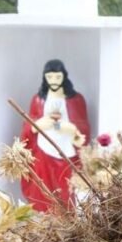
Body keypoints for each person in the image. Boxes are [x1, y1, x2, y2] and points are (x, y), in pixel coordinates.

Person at [20, 59, 91, 212]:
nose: (53, 81)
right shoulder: (38, 99)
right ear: (45, 78)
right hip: (43, 152)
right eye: (50, 77)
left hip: (67, 153)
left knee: (66, 193)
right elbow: (28, 126)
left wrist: (71, 129)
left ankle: (66, 223)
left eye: (57, 77)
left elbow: (82, 127)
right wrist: (36, 126)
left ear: (64, 77)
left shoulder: (75, 100)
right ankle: (45, 222)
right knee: (43, 192)